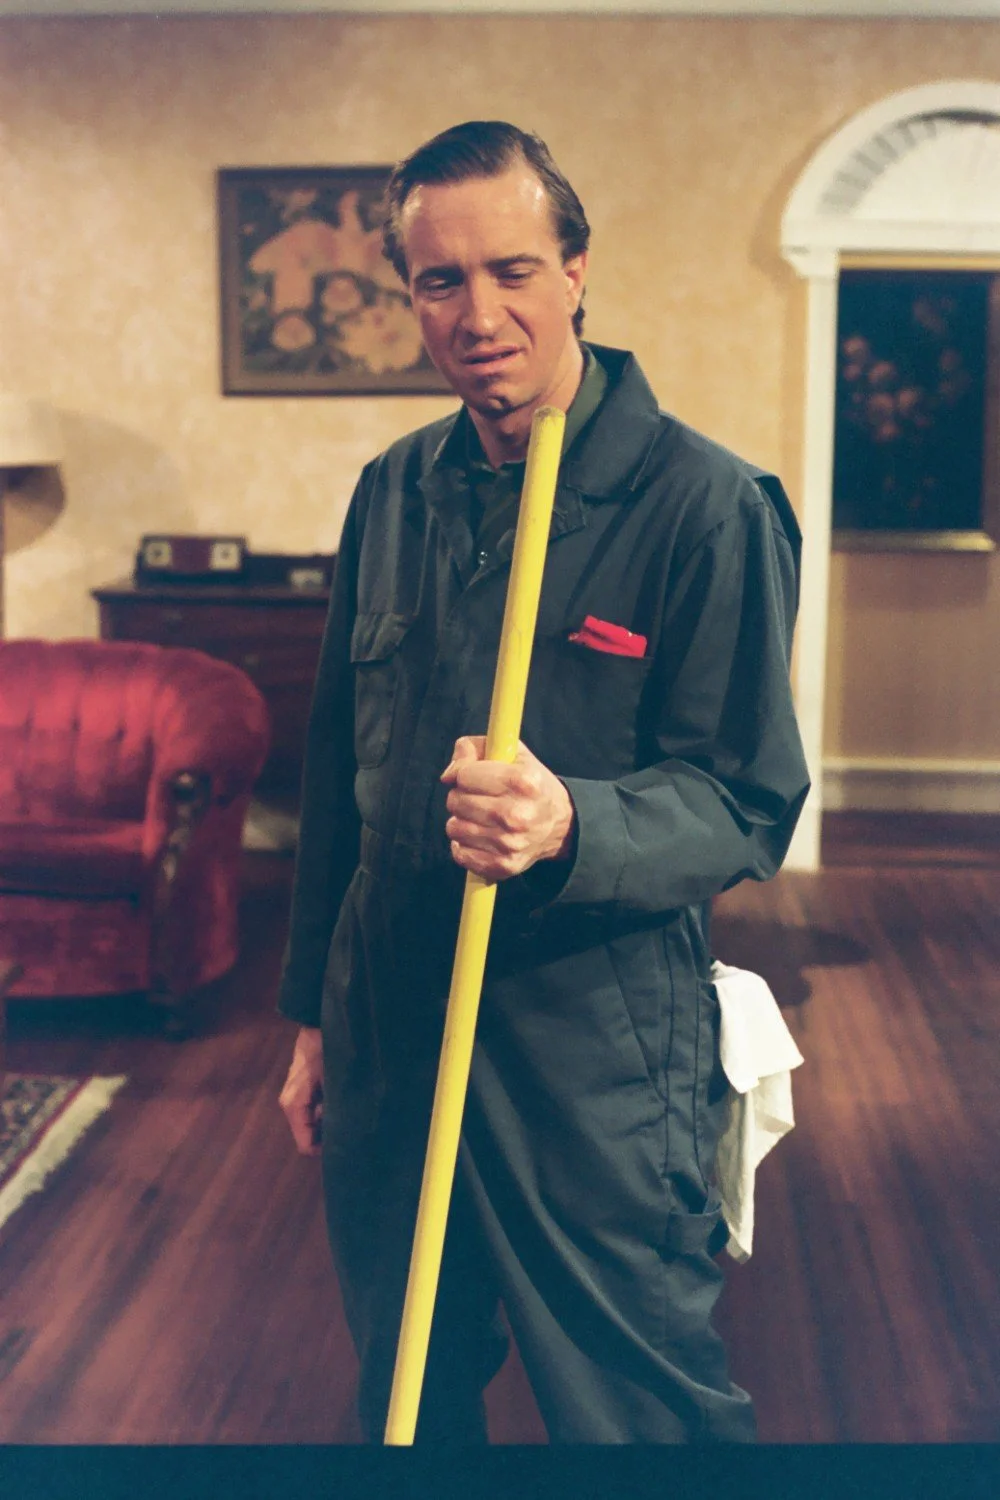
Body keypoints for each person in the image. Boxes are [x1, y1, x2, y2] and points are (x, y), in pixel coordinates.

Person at [277, 120, 810, 1444]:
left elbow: (749, 800)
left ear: (577, 268)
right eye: (439, 281)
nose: (479, 315)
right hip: (388, 1004)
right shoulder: (392, 492)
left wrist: (575, 822)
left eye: (513, 270)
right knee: (408, 1382)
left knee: (636, 1408)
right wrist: (311, 1018)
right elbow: (336, 774)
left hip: (590, 1030)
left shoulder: (705, 505)